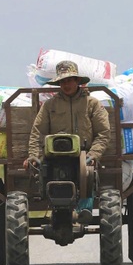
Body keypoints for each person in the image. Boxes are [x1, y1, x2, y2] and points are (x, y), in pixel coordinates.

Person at [24, 60, 111, 222]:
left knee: (87, 172)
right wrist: (34, 156)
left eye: (70, 80)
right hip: (54, 156)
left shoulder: (92, 104)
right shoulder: (50, 105)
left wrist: (93, 155)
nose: (66, 84)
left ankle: (85, 210)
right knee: (44, 169)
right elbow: (38, 132)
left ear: (77, 81)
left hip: (84, 155)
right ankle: (54, 205)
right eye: (63, 81)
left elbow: (103, 133)